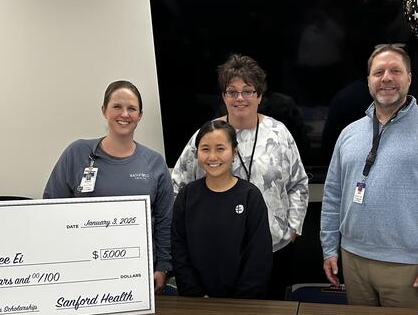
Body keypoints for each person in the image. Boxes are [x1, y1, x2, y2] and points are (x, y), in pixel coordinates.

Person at [320, 44, 418, 308]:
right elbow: (332, 195)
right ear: (369, 81)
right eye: (379, 72)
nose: (386, 78)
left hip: (408, 268)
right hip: (353, 261)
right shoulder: (349, 133)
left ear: (409, 77)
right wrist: (330, 248)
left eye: (395, 71)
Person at [172, 54, 309, 300]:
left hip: (275, 248)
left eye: (247, 91)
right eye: (232, 91)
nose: (239, 98)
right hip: (220, 255)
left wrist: (293, 228)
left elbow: (298, 182)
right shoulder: (208, 135)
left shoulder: (279, 134)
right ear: (224, 96)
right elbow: (179, 184)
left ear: (259, 95)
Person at [43, 80, 173, 293]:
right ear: (104, 111)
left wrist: (163, 266)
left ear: (140, 115)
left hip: (139, 271)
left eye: (131, 109)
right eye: (117, 107)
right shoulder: (77, 153)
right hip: (82, 269)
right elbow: (51, 208)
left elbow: (164, 221)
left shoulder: (155, 163)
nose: (124, 114)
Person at [171, 120, 272, 298]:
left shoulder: (250, 196)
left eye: (220, 149)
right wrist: (195, 294)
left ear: (234, 151)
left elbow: (259, 256)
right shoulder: (187, 196)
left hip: (243, 304)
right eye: (205, 149)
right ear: (197, 154)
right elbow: (179, 250)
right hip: (197, 302)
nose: (212, 157)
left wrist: (239, 300)